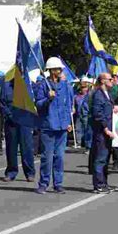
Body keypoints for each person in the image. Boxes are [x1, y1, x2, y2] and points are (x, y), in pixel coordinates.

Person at [35, 57, 74, 194]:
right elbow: (38, 104)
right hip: (48, 126)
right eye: (58, 69)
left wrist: (69, 122)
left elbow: (68, 105)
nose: (60, 71)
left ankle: (58, 183)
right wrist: (48, 99)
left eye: (60, 69)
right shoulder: (43, 85)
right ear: (51, 71)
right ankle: (43, 184)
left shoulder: (66, 86)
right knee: (47, 157)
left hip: (62, 126)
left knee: (60, 157)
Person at [0, 77, 36, 182]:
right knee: (11, 148)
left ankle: (30, 173)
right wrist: (10, 115)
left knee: (27, 148)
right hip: (11, 121)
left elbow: (31, 101)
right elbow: (2, 103)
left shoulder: (27, 85)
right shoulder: (6, 86)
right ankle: (11, 172)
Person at [90, 72, 118, 193]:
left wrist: (115, 108)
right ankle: (98, 184)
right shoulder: (98, 95)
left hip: (108, 130)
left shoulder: (108, 94)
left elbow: (107, 109)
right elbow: (98, 114)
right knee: (100, 158)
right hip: (102, 132)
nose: (112, 81)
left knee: (106, 159)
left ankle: (104, 182)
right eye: (110, 79)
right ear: (103, 81)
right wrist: (106, 129)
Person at [74, 76, 92, 151]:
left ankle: (86, 144)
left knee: (86, 129)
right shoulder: (76, 96)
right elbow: (74, 104)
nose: (83, 89)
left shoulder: (89, 95)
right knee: (78, 129)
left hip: (86, 114)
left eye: (85, 87)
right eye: (82, 87)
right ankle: (78, 142)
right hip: (79, 114)